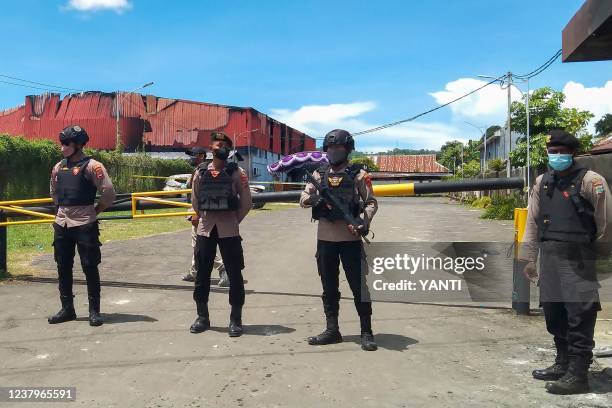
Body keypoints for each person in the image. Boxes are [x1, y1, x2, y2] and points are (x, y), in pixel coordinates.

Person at [520, 129, 612, 394]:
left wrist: (600, 256)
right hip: (549, 256)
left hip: (579, 257)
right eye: (553, 152)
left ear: (573, 153)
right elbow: (533, 222)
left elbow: (605, 222)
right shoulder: (542, 182)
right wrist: (529, 258)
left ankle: (578, 374)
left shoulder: (591, 180)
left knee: (579, 314)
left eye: (563, 152)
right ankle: (562, 362)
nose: (557, 156)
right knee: (554, 312)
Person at [300, 129, 378, 351]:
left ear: (348, 149)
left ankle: (366, 331)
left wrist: (364, 222)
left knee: (358, 286)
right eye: (331, 148)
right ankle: (332, 330)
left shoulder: (359, 175)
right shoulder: (318, 174)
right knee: (329, 286)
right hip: (325, 240)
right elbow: (303, 198)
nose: (334, 151)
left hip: (350, 239)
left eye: (339, 148)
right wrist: (315, 199)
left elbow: (371, 202)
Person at [48, 125, 116, 327]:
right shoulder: (58, 167)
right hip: (62, 223)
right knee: (62, 266)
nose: (62, 147)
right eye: (61, 143)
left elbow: (109, 193)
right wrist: (61, 211)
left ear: (78, 145)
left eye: (66, 143)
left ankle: (94, 311)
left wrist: (96, 210)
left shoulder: (93, 166)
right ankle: (67, 309)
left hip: (85, 223)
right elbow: (54, 192)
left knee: (89, 266)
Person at [189, 132, 252, 337]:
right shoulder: (200, 171)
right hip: (205, 230)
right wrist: (202, 218)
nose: (220, 147)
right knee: (202, 275)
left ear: (229, 149)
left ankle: (235, 320)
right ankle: (202, 317)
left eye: (224, 144)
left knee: (234, 275)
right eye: (217, 143)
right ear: (210, 148)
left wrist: (235, 221)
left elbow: (246, 202)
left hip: (229, 231)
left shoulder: (237, 172)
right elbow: (195, 200)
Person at [182, 147, 229, 287]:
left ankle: (222, 267)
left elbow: (202, 195)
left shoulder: (204, 171)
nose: (190, 158)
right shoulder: (200, 169)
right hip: (198, 212)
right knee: (196, 244)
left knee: (200, 245)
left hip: (202, 214)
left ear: (201, 156)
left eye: (193, 155)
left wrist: (196, 214)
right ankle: (194, 272)